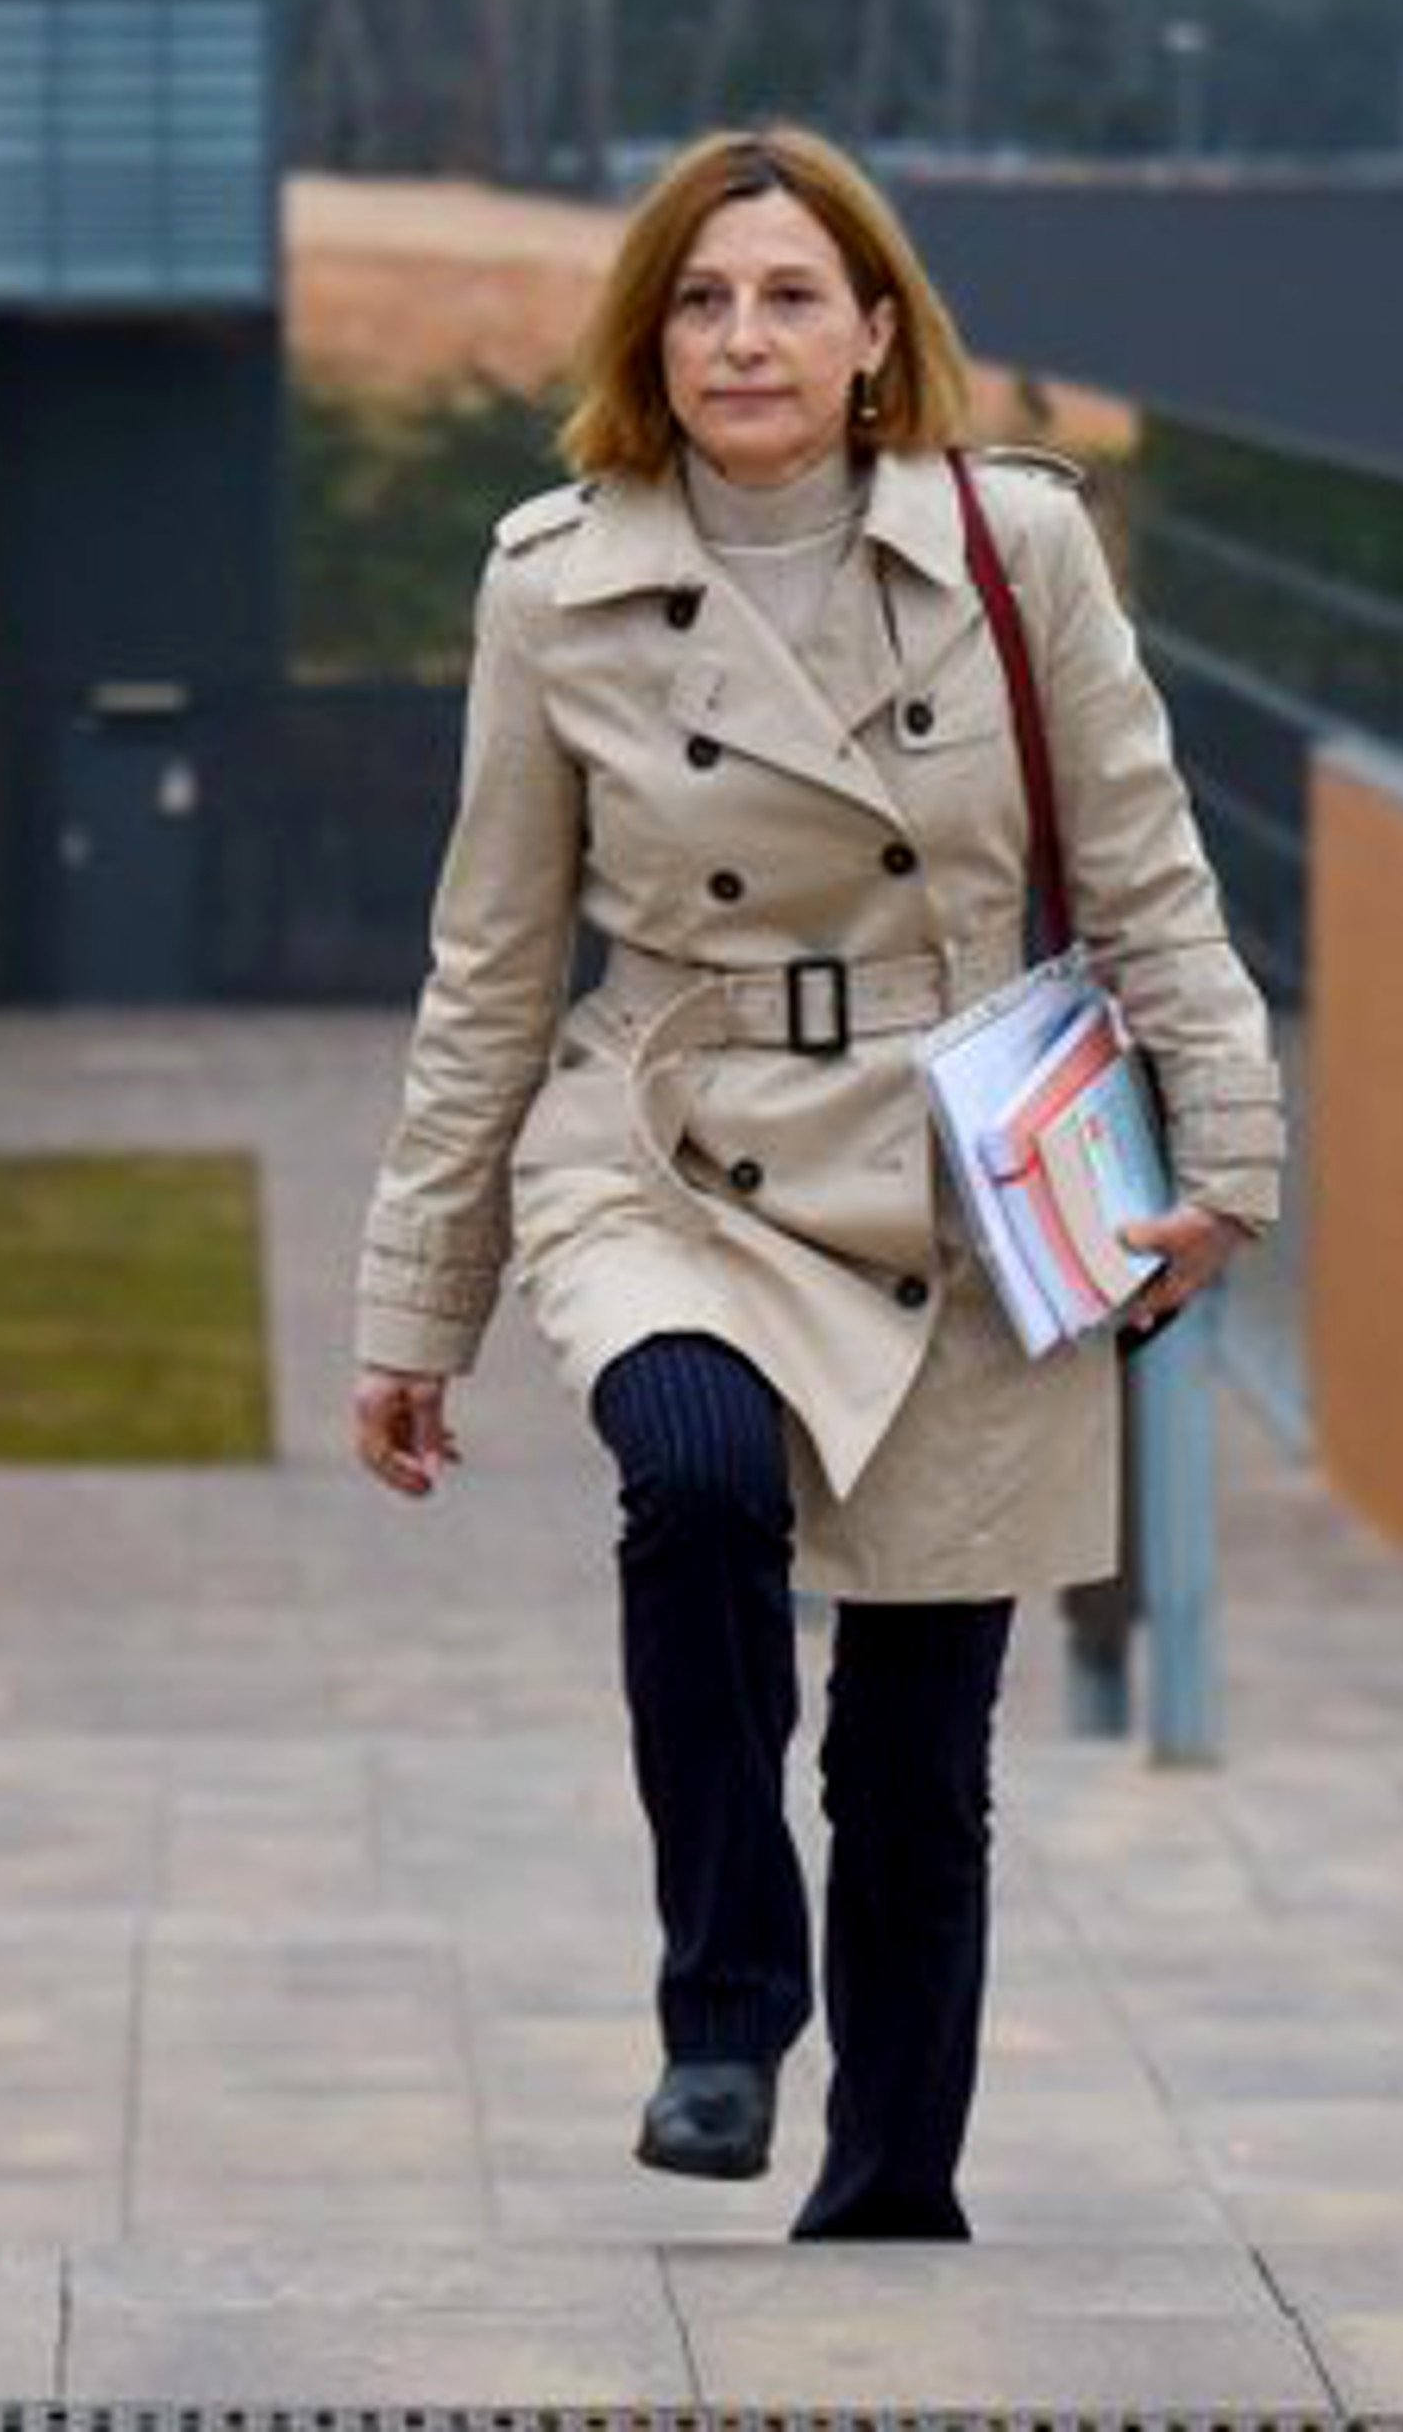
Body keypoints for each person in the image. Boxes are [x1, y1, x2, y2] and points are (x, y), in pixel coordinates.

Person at [346, 125, 1283, 2241]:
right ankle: (724, 2003)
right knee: (688, 1475)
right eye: (699, 296)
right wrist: (420, 1304)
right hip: (669, 1145)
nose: (742, 333)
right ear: (648, 340)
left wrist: (1226, 1156)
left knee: (918, 1759)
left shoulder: (1017, 549)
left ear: (876, 334)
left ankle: (888, 2206)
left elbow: (1145, 871)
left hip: (962, 1171)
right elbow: (492, 964)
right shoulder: (553, 582)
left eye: (788, 295)